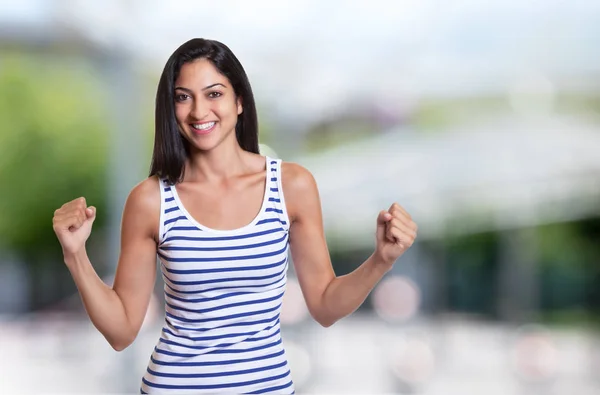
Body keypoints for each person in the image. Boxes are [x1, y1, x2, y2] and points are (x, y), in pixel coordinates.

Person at [52, 38, 418, 394]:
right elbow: (122, 332)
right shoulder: (150, 200)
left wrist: (381, 260)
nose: (198, 111)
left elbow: (324, 306)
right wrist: (75, 256)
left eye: (214, 94)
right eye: (183, 97)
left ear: (239, 100)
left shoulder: (292, 186)